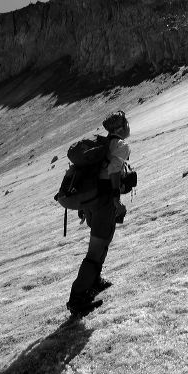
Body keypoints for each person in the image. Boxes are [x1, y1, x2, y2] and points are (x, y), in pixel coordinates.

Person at [67, 110, 132, 315]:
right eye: (126, 123)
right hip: (104, 202)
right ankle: (78, 299)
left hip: (93, 203)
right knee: (95, 251)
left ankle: (95, 282)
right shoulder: (120, 146)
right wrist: (115, 200)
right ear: (121, 128)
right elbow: (113, 172)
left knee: (102, 242)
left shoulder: (102, 145)